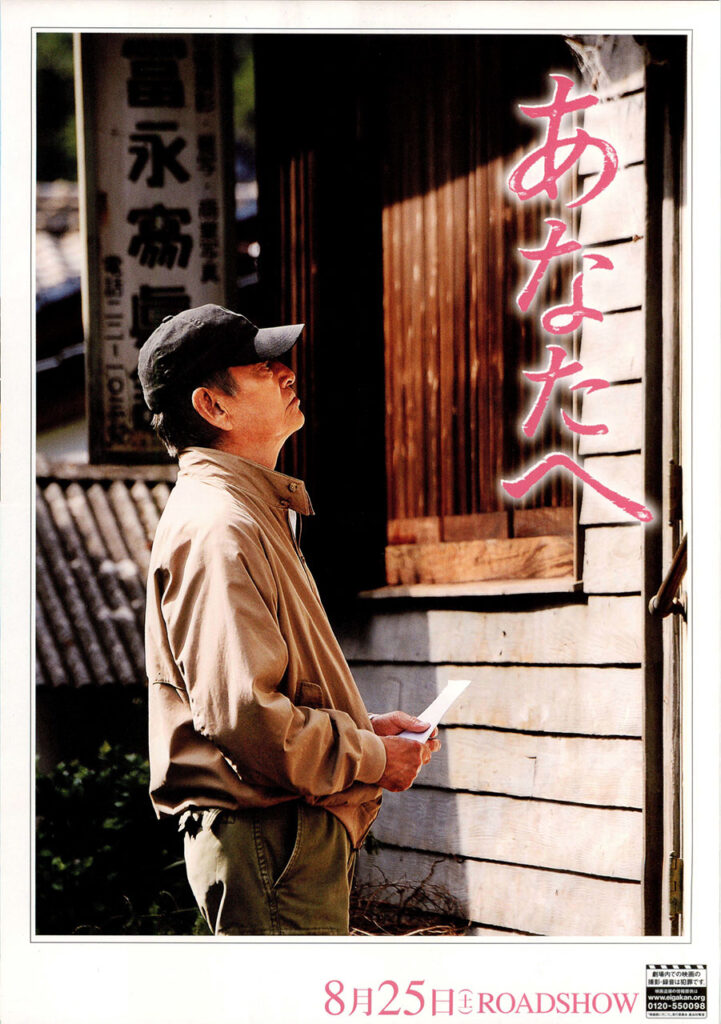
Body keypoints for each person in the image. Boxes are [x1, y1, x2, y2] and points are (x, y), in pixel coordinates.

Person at [138, 304, 440, 936]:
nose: (284, 371)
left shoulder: (244, 509)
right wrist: (369, 754)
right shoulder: (220, 524)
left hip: (280, 840)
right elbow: (245, 717)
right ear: (212, 406)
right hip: (273, 841)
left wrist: (362, 728)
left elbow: (257, 696)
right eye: (259, 365)